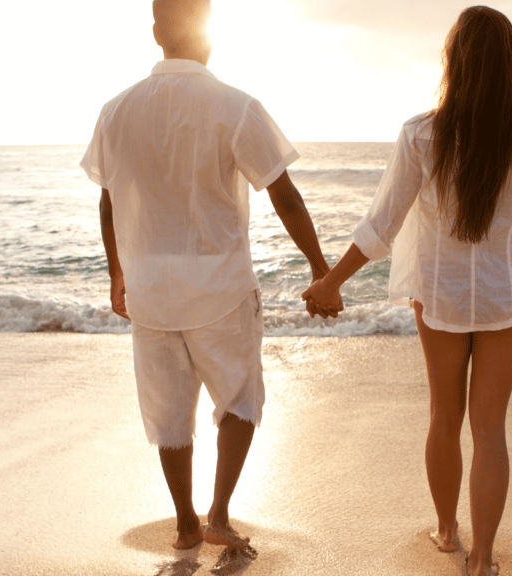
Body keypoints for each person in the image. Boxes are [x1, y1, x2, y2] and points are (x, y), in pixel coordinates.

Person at [303, 6, 512, 576]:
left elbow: (382, 225)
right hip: (510, 297)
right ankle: (484, 559)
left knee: (445, 416)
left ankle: (447, 533)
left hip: (440, 298)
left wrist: (330, 281)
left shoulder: (422, 132)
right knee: (489, 427)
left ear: (453, 62)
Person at [81, 0, 332, 553]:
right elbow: (283, 194)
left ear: (155, 33)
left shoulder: (115, 111)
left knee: (169, 412)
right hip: (220, 285)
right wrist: (320, 269)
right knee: (240, 400)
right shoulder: (235, 107)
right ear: (210, 34)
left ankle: (186, 525)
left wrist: (116, 274)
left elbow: (108, 202)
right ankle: (217, 512)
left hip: (149, 287)